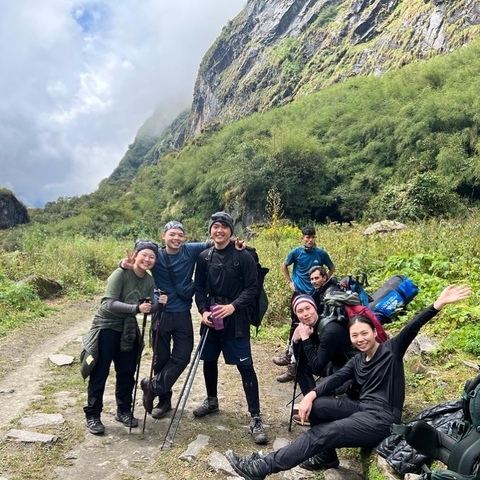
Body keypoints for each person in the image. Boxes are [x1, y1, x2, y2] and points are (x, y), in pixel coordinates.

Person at [226, 284, 472, 478]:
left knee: (323, 433)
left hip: (382, 419)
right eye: (355, 336)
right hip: (362, 409)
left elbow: (413, 326)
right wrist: (311, 395)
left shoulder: (392, 350)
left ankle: (263, 468)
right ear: (351, 339)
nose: (360, 339)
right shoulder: (357, 361)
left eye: (365, 333)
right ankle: (327, 457)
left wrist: (436, 304)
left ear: (375, 332)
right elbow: (335, 379)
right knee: (318, 406)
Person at [120, 221, 244, 420]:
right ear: (164, 236)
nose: (176, 238)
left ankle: (152, 386)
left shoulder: (190, 250)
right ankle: (164, 400)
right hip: (160, 313)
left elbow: (215, 242)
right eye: (172, 234)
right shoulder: (156, 255)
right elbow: (139, 263)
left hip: (182, 313)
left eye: (180, 235)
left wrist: (237, 243)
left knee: (183, 356)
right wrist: (123, 264)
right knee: (161, 358)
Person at [193, 211, 268, 445]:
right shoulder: (204, 257)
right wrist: (203, 310)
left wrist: (233, 307)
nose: (219, 230)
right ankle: (212, 400)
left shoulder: (243, 256)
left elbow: (252, 288)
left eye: (224, 227)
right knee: (209, 359)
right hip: (212, 316)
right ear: (210, 230)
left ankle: (255, 417)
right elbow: (199, 288)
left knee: (246, 367)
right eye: (215, 226)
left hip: (236, 319)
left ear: (230, 231)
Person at [81, 240, 167, 435]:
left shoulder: (149, 280)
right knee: (99, 373)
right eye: (144, 255)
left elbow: (146, 308)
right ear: (135, 255)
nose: (147, 259)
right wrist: (136, 308)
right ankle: (93, 415)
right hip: (106, 327)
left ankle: (124, 411)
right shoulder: (120, 274)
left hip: (127, 328)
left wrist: (159, 305)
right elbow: (109, 303)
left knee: (127, 372)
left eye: (152, 257)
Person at [274, 226, 335, 382]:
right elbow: (284, 265)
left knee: (312, 326)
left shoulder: (320, 253)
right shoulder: (296, 252)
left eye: (312, 237)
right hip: (299, 293)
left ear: (315, 237)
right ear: (302, 238)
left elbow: (331, 266)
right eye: (307, 237)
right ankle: (290, 356)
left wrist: (323, 280)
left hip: (314, 295)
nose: (309, 240)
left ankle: (301, 362)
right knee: (295, 325)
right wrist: (290, 282)